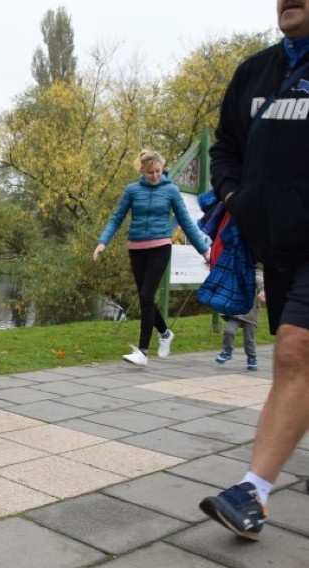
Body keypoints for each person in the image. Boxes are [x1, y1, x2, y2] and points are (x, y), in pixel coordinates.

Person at [199, 0, 309, 541]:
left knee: (295, 350)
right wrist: (234, 194)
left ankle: (252, 493)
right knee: (299, 360)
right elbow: (225, 148)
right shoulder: (254, 72)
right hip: (279, 245)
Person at [93, 150, 211, 367]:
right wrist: (103, 242)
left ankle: (143, 352)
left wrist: (204, 251)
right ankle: (165, 334)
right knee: (144, 298)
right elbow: (117, 218)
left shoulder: (171, 191)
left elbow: (186, 222)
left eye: (158, 171)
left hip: (160, 247)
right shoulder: (132, 190)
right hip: (136, 248)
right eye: (150, 173)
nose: (155, 176)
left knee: (147, 295)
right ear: (142, 171)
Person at [215, 269, 265, 371]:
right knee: (229, 331)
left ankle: (252, 358)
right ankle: (227, 351)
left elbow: (262, 284)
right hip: (235, 312)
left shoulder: (256, 277)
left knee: (249, 339)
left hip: (250, 314)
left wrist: (262, 293)